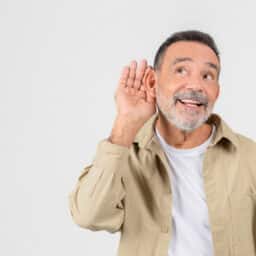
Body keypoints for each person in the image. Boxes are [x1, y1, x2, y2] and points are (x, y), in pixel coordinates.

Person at [68, 30, 256, 256]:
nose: (196, 85)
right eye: (181, 70)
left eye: (207, 76)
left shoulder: (249, 157)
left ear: (217, 91)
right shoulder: (126, 154)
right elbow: (89, 216)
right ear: (152, 81)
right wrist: (126, 123)